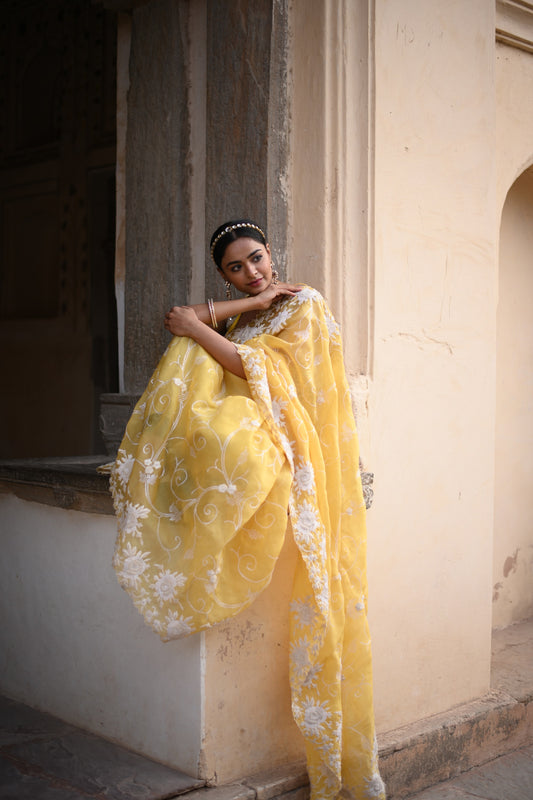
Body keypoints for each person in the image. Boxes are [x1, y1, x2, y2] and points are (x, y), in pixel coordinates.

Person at [110, 220, 386, 800]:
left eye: (256, 259)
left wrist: (206, 325)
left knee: (201, 361)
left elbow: (257, 370)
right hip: (244, 419)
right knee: (189, 348)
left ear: (271, 252)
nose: (251, 272)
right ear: (226, 277)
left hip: (284, 433)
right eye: (236, 268)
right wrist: (251, 303)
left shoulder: (305, 303)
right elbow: (180, 317)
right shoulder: (246, 315)